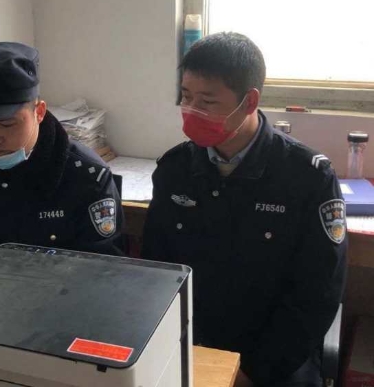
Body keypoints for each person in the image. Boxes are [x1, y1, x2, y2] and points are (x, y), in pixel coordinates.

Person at [142, 32, 346, 387]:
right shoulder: (174, 170)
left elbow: (317, 293)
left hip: (275, 355)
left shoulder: (307, 178)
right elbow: (156, 272)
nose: (192, 111)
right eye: (186, 97)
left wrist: (252, 372)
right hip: (193, 344)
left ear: (249, 101)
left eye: (207, 101)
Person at [0, 42, 123, 288]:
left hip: (64, 296)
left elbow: (104, 266)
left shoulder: (86, 177)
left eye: (7, 124)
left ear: (39, 112)